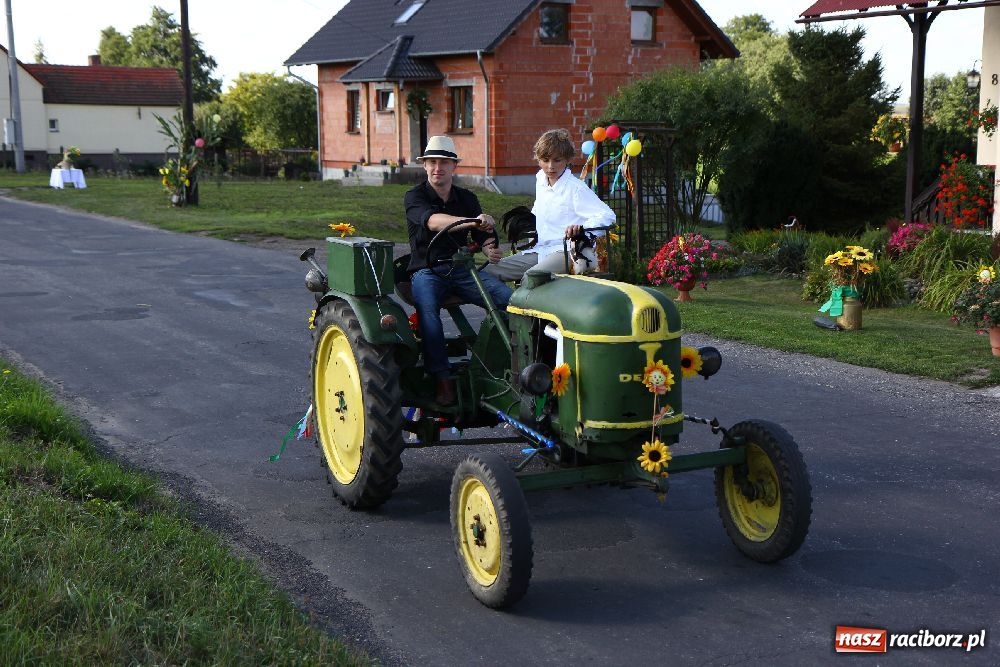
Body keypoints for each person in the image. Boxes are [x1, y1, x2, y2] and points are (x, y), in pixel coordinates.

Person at [404, 136, 511, 406]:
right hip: (427, 270)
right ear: (425, 166)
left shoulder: (467, 198)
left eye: (443, 162)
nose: (437, 168)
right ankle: (442, 379)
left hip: (462, 270)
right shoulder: (415, 196)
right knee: (428, 312)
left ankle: (507, 366)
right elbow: (432, 222)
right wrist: (473, 221)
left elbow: (485, 234)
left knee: (510, 301)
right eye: (432, 162)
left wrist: (489, 247)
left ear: (454, 167)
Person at [485, 128, 616, 281]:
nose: (550, 166)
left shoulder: (575, 188)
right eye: (545, 160)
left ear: (567, 160)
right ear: (538, 159)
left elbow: (608, 216)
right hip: (541, 249)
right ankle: (505, 298)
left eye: (557, 160)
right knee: (488, 271)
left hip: (565, 251)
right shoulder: (541, 179)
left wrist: (581, 228)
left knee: (531, 278)